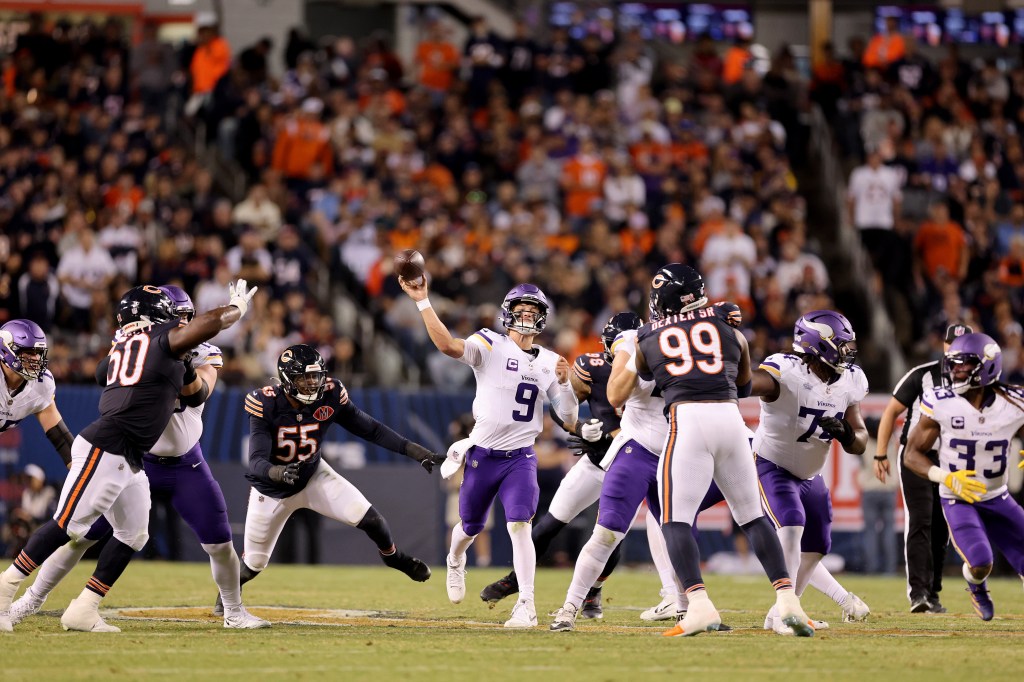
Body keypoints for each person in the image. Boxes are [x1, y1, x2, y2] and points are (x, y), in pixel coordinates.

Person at [0, 281, 257, 632]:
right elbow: (203, 327)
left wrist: (176, 366)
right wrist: (236, 310)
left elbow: (113, 374)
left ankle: (84, 608)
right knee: (69, 526)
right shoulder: (162, 340)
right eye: (174, 316)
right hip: (112, 445)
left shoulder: (134, 344)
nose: (180, 323)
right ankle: (8, 591)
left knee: (134, 533)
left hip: (147, 458)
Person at [631, 263, 813, 637]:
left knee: (674, 519)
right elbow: (745, 384)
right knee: (753, 516)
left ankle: (698, 605)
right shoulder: (732, 330)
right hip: (731, 421)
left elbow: (646, 375)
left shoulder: (646, 334)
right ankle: (787, 599)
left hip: (688, 421)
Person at [400, 277, 578, 629]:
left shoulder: (551, 361)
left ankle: (526, 604)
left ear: (543, 317)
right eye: (520, 310)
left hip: (521, 458)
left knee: (519, 524)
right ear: (507, 314)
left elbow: (569, 418)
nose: (526, 316)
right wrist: (423, 301)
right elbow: (449, 346)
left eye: (533, 311)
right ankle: (455, 560)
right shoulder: (490, 343)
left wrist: (565, 384)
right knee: (470, 526)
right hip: (483, 454)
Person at [213, 344, 443, 616]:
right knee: (253, 565)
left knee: (372, 520)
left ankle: (394, 558)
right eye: (303, 378)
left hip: (313, 476)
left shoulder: (331, 394)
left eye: (315, 376)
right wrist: (277, 472)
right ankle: (225, 598)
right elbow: (257, 460)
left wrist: (414, 450)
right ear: (287, 379)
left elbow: (371, 429)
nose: (312, 384)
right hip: (272, 490)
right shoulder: (267, 402)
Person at [478, 312, 642, 618]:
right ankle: (516, 581)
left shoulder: (655, 370)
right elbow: (563, 409)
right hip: (596, 462)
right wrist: (580, 428)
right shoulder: (592, 366)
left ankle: (594, 590)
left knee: (610, 533)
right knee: (550, 523)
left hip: (634, 465)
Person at [749, 310, 872, 634]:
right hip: (772, 465)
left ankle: (785, 610)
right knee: (791, 524)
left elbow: (859, 440)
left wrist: (846, 433)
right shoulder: (785, 371)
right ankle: (787, 613)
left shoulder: (850, 380)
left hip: (810, 475)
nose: (849, 351)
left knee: (817, 545)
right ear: (821, 345)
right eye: (843, 345)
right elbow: (750, 382)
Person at [903, 333, 1024, 621]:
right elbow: (911, 454)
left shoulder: (1013, 401)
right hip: (959, 498)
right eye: (953, 365)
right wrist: (945, 477)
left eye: (964, 365)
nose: (955, 371)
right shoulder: (941, 401)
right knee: (981, 560)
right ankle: (976, 584)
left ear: (986, 367)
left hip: (998, 496)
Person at [875, 323, 972, 613]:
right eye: (953, 345)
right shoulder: (923, 374)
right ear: (944, 346)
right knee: (920, 520)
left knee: (943, 526)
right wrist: (880, 454)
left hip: (950, 458)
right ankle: (918, 593)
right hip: (916, 456)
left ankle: (933, 591)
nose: (957, 352)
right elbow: (891, 411)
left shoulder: (977, 379)